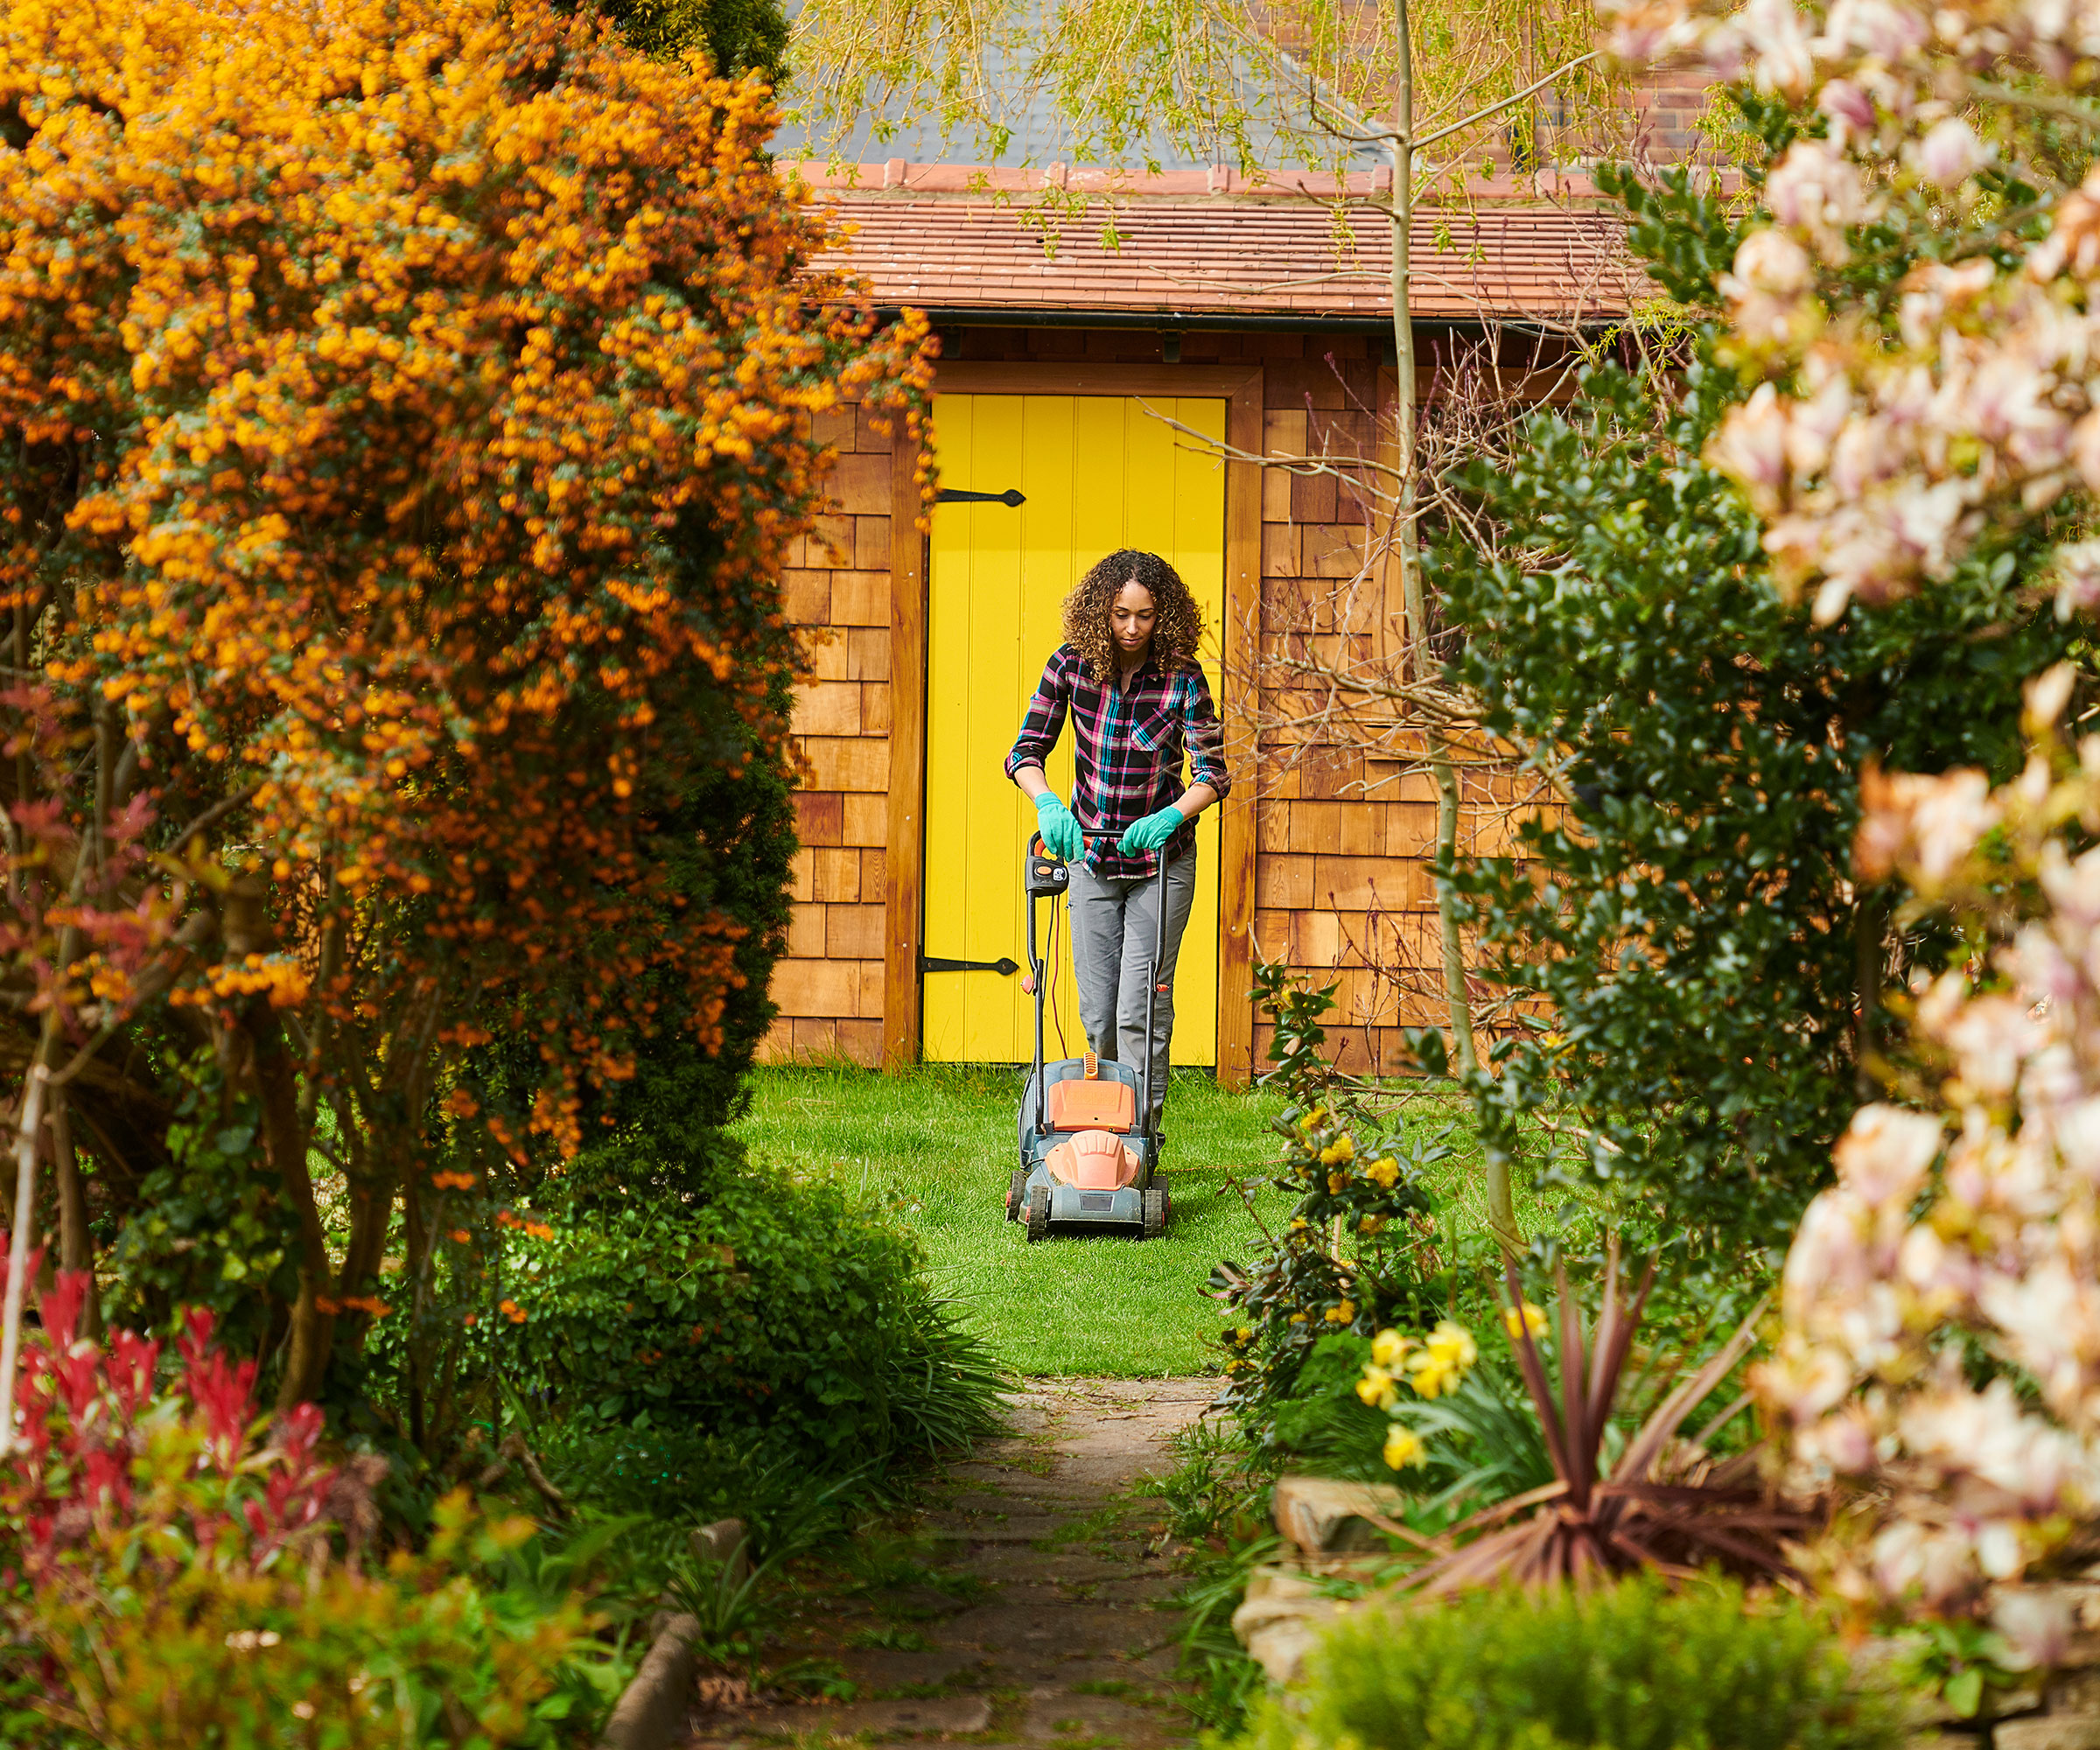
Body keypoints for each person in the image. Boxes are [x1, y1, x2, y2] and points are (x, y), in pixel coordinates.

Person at [1004, 549, 1229, 1132]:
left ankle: (1139, 1138)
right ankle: (1097, 1126)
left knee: (1141, 1010)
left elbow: (1212, 773)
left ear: (1165, 615)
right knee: (1100, 1013)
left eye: (1146, 616)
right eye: (1121, 615)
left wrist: (1171, 816)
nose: (1132, 629)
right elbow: (1024, 753)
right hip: (1092, 858)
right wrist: (1047, 801)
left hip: (1161, 862)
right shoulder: (1071, 666)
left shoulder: (1183, 676)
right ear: (1100, 611)